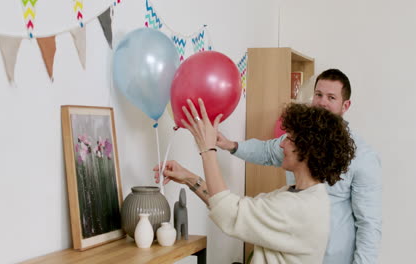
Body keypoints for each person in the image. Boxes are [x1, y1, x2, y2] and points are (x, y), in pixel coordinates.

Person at [154, 99, 355, 263]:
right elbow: (235, 208)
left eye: (289, 138)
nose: (282, 144)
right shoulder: (301, 195)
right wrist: (189, 178)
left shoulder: (299, 208)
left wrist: (207, 151)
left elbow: (229, 212)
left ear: (308, 150)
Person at [216, 69, 382, 264]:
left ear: (346, 105)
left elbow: (369, 224)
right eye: (318, 95)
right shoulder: (299, 140)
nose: (322, 102)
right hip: (292, 254)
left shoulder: (363, 156)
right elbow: (267, 151)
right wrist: (231, 145)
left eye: (331, 97)